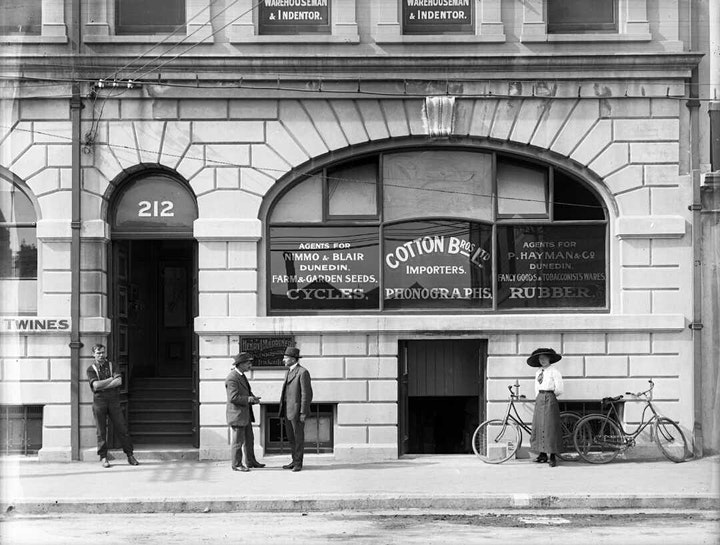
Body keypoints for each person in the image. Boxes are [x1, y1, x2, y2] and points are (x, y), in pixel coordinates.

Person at [86, 344, 139, 468]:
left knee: (122, 428)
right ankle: (104, 457)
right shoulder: (91, 369)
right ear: (93, 354)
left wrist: (104, 383)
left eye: (103, 352)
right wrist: (111, 380)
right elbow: (96, 386)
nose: (101, 355)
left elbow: (119, 381)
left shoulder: (112, 365)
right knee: (101, 431)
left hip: (114, 401)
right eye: (98, 353)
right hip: (99, 402)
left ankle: (130, 455)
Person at [225, 352, 265, 472]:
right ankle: (236, 464)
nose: (250, 365)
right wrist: (249, 399)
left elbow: (246, 392)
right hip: (237, 415)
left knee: (249, 439)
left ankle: (250, 462)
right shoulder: (232, 377)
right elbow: (233, 397)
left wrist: (253, 398)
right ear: (240, 364)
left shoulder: (241, 375)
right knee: (238, 442)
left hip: (244, 414)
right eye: (248, 363)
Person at [527, 347, 564, 467]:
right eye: (540, 359)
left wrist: (550, 396)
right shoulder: (538, 372)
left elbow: (559, 389)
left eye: (544, 358)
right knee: (539, 426)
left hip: (549, 398)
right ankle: (542, 454)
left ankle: (552, 456)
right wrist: (538, 398)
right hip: (540, 398)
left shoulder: (554, 372)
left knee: (550, 426)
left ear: (549, 359)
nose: (542, 360)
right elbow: (536, 387)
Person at [278, 346, 313, 472]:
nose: (283, 360)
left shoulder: (303, 372)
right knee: (291, 438)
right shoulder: (288, 371)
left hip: (297, 412)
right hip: (288, 410)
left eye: (285, 357)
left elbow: (306, 395)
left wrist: (303, 412)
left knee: (298, 438)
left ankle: (298, 463)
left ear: (293, 359)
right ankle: (294, 460)